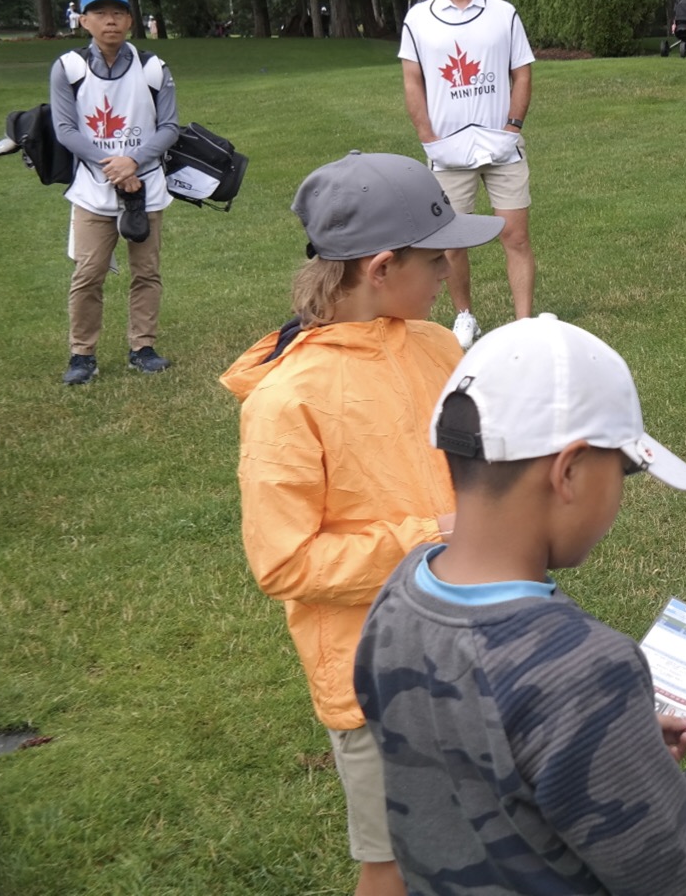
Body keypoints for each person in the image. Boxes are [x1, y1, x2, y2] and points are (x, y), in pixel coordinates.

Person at [353, 316, 686, 894]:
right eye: (624, 471)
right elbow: (674, 872)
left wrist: (607, 742)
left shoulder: (400, 593)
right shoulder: (585, 668)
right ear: (569, 472)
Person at [221, 152, 504, 896]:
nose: (448, 274)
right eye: (437, 261)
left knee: (483, 834)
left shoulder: (437, 345)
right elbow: (285, 564)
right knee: (396, 862)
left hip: (473, 641)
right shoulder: (287, 401)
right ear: (381, 269)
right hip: (380, 680)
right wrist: (434, 535)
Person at [399, 0, 537, 349]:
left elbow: (522, 72)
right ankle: (465, 316)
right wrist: (428, 135)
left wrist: (513, 126)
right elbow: (412, 81)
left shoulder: (503, 14)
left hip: (501, 145)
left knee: (515, 236)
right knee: (452, 241)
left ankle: (524, 324)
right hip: (448, 150)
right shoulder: (418, 19)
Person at [51, 0, 179, 385]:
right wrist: (113, 167)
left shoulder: (153, 67)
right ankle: (82, 355)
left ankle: (143, 348)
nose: (111, 21)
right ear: (84, 21)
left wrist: (133, 161)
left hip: (146, 185)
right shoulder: (68, 68)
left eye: (119, 13)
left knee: (147, 272)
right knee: (88, 274)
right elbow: (65, 129)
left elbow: (170, 126)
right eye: (101, 13)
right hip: (93, 189)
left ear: (129, 20)